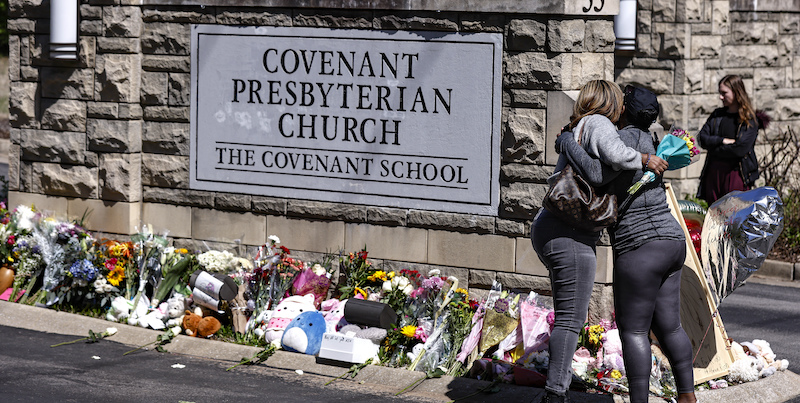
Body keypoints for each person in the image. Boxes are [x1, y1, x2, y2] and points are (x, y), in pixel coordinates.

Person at [556, 85, 697, 403]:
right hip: (672, 240)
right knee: (670, 327)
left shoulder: (621, 143)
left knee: (634, 331)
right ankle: (688, 397)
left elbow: (595, 174)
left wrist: (568, 142)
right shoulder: (653, 141)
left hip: (639, 246)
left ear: (623, 111)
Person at [530, 80, 667, 403]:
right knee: (570, 319)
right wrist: (645, 159)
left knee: (568, 316)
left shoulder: (579, 127)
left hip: (556, 228)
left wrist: (566, 142)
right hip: (570, 233)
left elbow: (596, 170)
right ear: (610, 102)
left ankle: (556, 390)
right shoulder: (599, 123)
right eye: (620, 101)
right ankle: (554, 395)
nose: (623, 108)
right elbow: (606, 164)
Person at [696, 74, 759, 205]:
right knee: (714, 217)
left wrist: (713, 147)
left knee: (735, 216)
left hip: (736, 174)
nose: (721, 97)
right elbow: (702, 138)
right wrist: (722, 140)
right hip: (714, 174)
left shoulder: (748, 120)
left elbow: (739, 149)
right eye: (720, 93)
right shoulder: (717, 115)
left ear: (736, 92)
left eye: (724, 93)